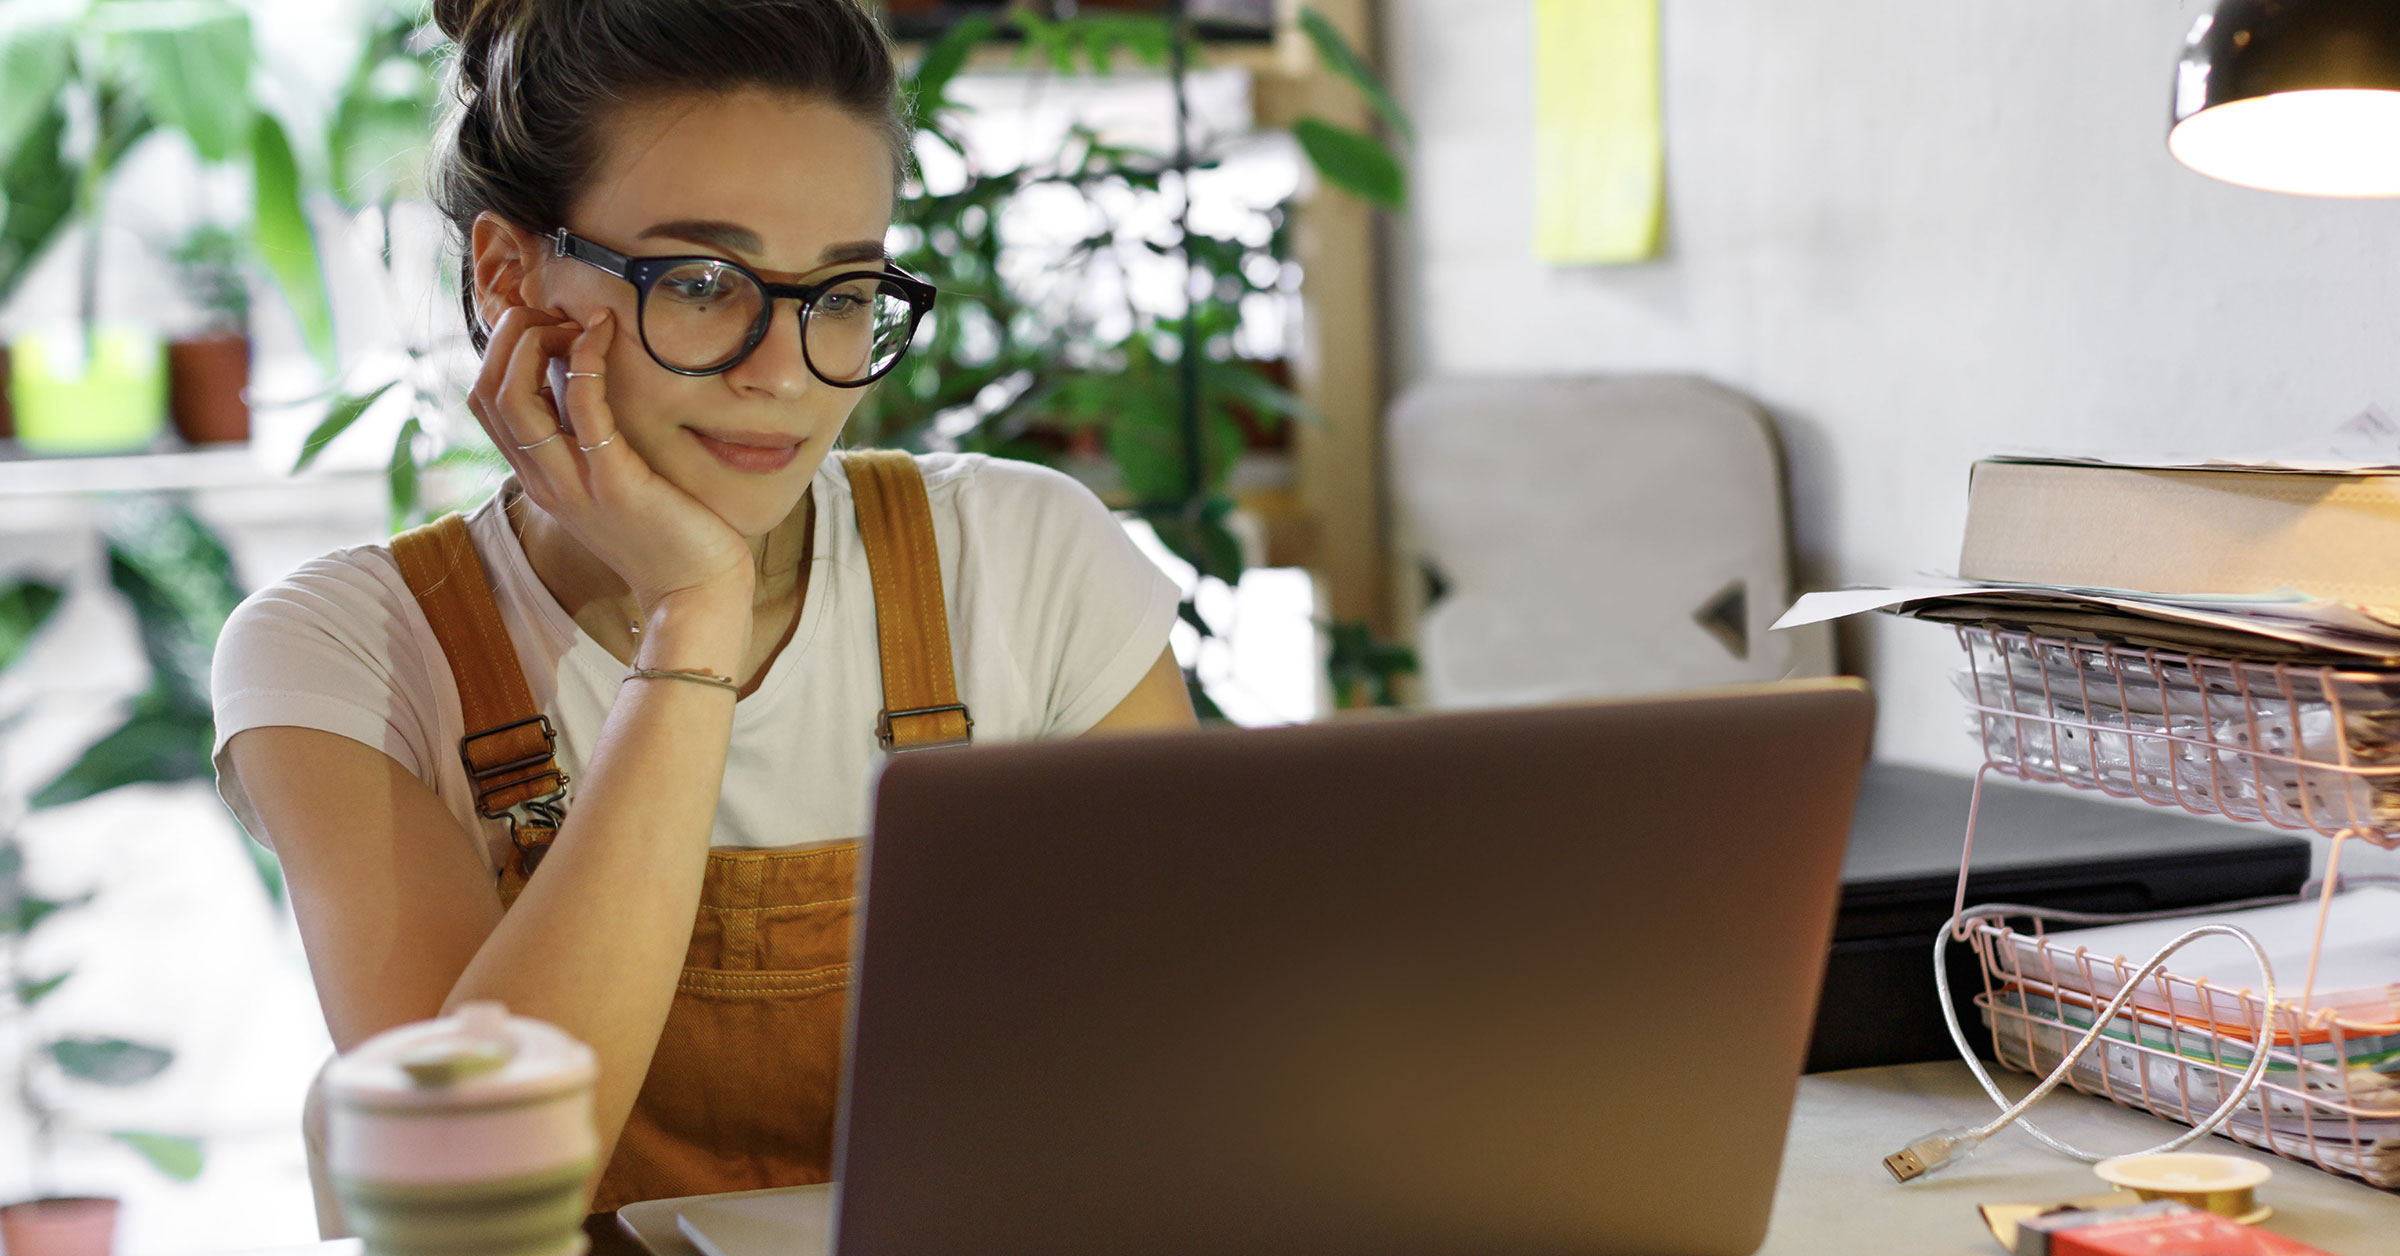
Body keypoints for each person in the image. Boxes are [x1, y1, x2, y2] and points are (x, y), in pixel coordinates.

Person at [209, 0, 1195, 1221]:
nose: (782, 370)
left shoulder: (1022, 556)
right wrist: (693, 613)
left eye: (840, 293)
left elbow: (1200, 1064)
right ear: (511, 274)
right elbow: (464, 1183)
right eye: (702, 281)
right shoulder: (350, 651)